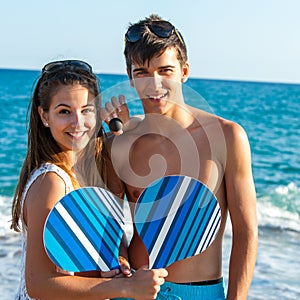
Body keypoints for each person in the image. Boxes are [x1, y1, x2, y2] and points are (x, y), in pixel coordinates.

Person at [103, 14, 258, 300]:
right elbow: (109, 231)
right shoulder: (120, 143)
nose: (154, 84)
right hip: (133, 291)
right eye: (142, 73)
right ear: (130, 77)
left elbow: (246, 233)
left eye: (165, 71)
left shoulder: (227, 137)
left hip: (200, 292)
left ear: (184, 71)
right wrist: (123, 271)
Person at [11, 59, 168, 300]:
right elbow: (38, 284)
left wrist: (119, 262)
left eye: (86, 110)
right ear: (44, 116)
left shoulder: (86, 176)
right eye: (64, 112)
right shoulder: (53, 182)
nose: (78, 122)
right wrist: (126, 288)